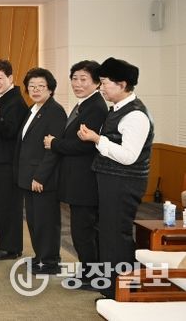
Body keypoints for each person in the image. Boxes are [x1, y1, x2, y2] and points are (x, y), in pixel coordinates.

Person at [79, 57, 153, 298]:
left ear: (122, 84)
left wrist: (97, 139)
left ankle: (121, 291)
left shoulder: (136, 115)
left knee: (117, 236)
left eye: (104, 83)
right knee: (107, 234)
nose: (101, 88)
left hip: (124, 182)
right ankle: (111, 288)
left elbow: (129, 156)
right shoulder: (118, 109)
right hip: (111, 181)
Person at [43, 60, 108, 285]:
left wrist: (54, 143)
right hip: (76, 178)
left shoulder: (96, 107)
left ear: (97, 83)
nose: (77, 84)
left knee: (84, 230)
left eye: (83, 79)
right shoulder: (85, 104)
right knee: (83, 229)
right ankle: (89, 271)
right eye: (74, 79)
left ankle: (92, 276)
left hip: (85, 180)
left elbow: (85, 145)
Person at [16, 67, 66, 274]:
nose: (35, 90)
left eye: (41, 86)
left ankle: (50, 261)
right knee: (35, 220)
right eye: (32, 86)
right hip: (29, 175)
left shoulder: (55, 111)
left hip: (42, 178)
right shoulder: (33, 109)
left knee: (46, 221)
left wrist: (40, 177)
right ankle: (40, 257)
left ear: (50, 89)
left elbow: (53, 149)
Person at [0, 59, 27, 261]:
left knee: (9, 205)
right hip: (0, 159)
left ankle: (10, 248)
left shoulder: (15, 101)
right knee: (1, 204)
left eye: (0, 78)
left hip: (9, 161)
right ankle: (5, 244)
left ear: (10, 77)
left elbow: (9, 132)